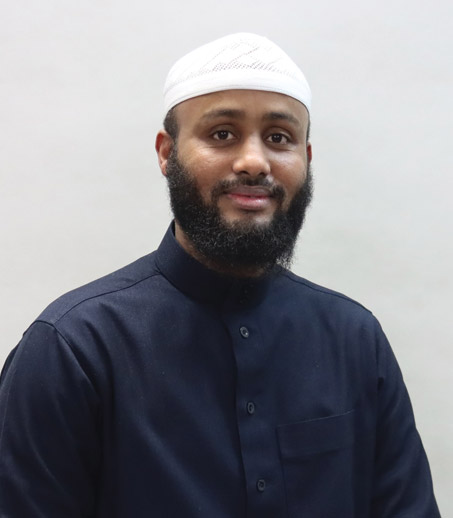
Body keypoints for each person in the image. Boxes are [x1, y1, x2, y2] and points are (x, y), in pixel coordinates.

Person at [0, 33, 440, 517]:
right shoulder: (74, 350)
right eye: (222, 134)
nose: (254, 162)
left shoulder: (355, 340)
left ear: (306, 159)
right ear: (167, 153)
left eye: (279, 138)